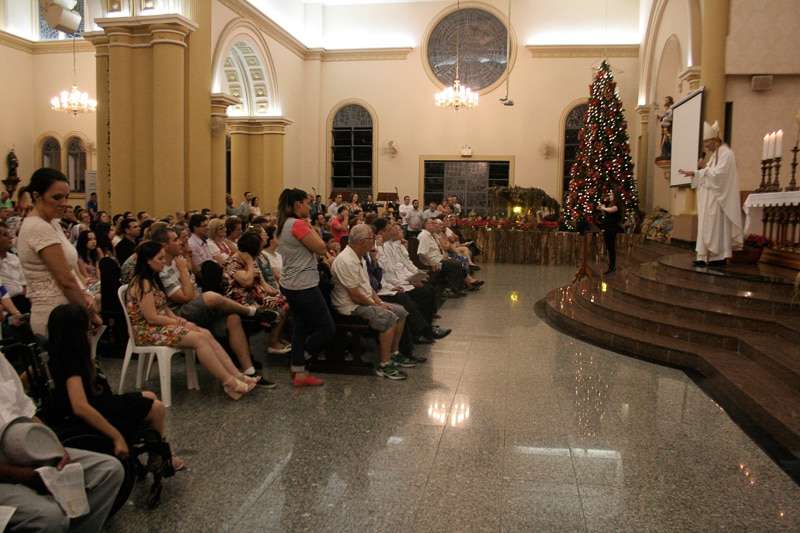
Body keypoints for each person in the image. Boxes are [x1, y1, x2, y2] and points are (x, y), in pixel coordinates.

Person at [46, 304, 185, 469]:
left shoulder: (58, 353)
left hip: (102, 401)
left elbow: (98, 323)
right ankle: (158, 456)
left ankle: (157, 448)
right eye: (87, 328)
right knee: (157, 408)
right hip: (97, 411)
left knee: (149, 395)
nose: (91, 331)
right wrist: (116, 436)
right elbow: (80, 406)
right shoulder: (72, 363)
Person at [0, 351, 124, 533]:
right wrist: (23, 475)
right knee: (50, 517)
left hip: (25, 447)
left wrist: (55, 446)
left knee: (108, 470)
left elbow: (27, 411)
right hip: (5, 472)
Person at [126, 241, 257, 400]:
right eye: (160, 258)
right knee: (199, 339)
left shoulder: (153, 279)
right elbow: (151, 317)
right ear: (148, 260)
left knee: (205, 333)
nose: (163, 261)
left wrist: (179, 320)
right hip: (146, 331)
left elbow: (164, 308)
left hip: (160, 325)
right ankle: (229, 383)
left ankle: (237, 375)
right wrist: (177, 323)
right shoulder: (143, 283)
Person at [154, 227, 276, 387]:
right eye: (175, 239)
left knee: (233, 318)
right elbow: (185, 297)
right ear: (164, 245)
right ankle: (253, 312)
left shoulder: (179, 261)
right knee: (211, 296)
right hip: (177, 313)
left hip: (194, 307)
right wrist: (184, 271)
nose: (180, 242)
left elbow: (193, 289)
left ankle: (249, 371)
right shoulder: (163, 268)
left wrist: (186, 271)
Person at [16, 168, 101, 336]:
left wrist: (85, 294)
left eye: (66, 196)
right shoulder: (38, 227)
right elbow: (65, 280)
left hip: (68, 309)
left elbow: (70, 270)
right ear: (37, 196)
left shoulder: (52, 223)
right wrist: (90, 314)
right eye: (56, 197)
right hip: (55, 314)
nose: (63, 202)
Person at [331, 224, 413, 380]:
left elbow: (368, 287)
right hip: (350, 307)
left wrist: (379, 301)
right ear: (361, 241)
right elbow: (355, 295)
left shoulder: (360, 257)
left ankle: (394, 353)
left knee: (401, 311)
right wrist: (377, 306)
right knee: (387, 317)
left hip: (363, 301)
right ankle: (384, 364)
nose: (374, 242)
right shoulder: (346, 260)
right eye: (371, 238)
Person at [277, 188, 334, 387]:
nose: (310, 207)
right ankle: (299, 360)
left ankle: (299, 371)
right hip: (303, 286)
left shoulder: (285, 223)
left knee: (301, 327)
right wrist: (311, 229)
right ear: (298, 204)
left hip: (292, 284)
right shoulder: (298, 224)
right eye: (307, 203)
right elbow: (321, 247)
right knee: (327, 328)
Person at [678, 121, 744, 266]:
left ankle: (718, 256)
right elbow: (709, 173)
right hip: (710, 199)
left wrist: (700, 171)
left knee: (716, 227)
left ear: (715, 140)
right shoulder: (715, 155)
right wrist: (695, 173)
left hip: (719, 200)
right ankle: (704, 256)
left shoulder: (726, 153)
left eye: (707, 142)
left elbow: (719, 175)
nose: (706, 146)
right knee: (707, 226)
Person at [374, 218, 450, 342]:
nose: (394, 231)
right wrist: (408, 281)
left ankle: (427, 327)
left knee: (428, 289)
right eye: (391, 228)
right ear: (382, 232)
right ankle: (423, 332)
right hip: (392, 285)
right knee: (422, 294)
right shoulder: (380, 247)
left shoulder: (393, 245)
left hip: (399, 281)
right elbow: (386, 272)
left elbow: (404, 265)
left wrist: (416, 275)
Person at [223, 231, 291, 356]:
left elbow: (262, 282)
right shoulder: (233, 262)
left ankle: (276, 337)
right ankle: (272, 343)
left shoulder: (251, 259)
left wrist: (276, 292)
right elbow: (247, 283)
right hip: (241, 299)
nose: (260, 252)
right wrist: (249, 262)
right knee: (283, 305)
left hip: (256, 295)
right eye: (259, 249)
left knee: (287, 300)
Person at [0, 222, 30, 314]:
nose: (10, 238)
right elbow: (1, 290)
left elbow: (24, 284)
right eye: (5, 235)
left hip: (22, 300)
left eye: (9, 234)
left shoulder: (14, 258)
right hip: (5, 305)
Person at [597, 190, 622, 274]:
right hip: (607, 228)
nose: (610, 196)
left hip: (612, 229)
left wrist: (603, 207)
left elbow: (612, 210)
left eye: (611, 194)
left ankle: (612, 266)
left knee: (611, 248)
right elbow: (606, 214)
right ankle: (610, 265)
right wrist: (602, 209)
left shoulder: (617, 205)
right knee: (608, 247)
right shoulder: (610, 204)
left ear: (615, 196)